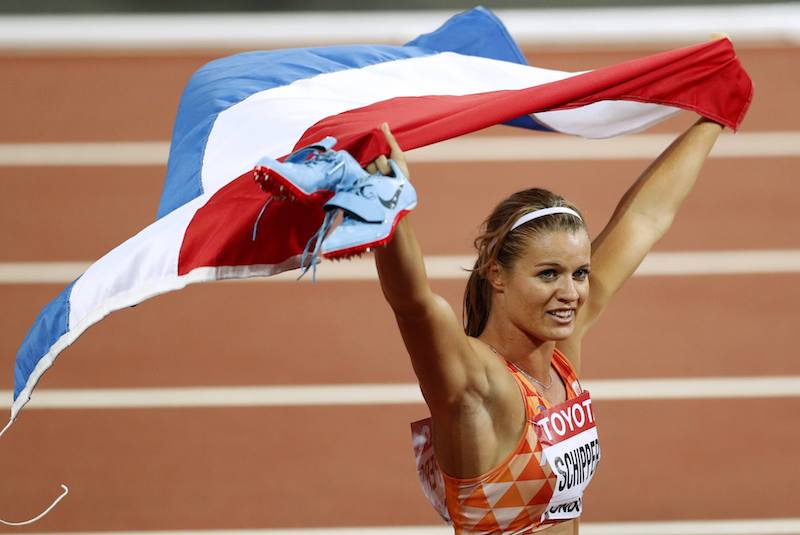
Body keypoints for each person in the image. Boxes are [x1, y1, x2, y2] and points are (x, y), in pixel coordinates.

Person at [365, 112, 723, 534]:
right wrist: (391, 201)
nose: (570, 293)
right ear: (497, 274)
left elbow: (644, 219)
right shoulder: (477, 384)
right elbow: (414, 305)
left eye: (580, 273)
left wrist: (714, 116)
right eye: (548, 274)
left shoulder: (559, 355)